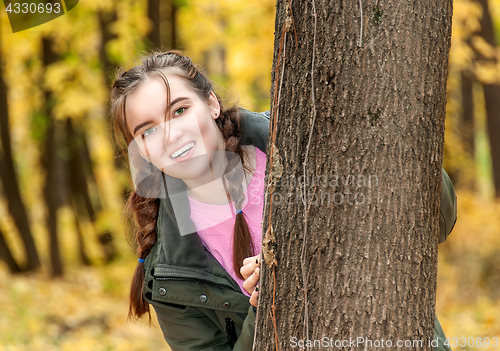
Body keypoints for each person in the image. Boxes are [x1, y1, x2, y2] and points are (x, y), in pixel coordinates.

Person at [111, 51, 457, 351]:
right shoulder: (168, 270)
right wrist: (264, 306)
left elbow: (436, 224)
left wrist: (384, 140)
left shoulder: (300, 140)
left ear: (211, 103)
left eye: (180, 110)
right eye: (148, 130)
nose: (170, 134)